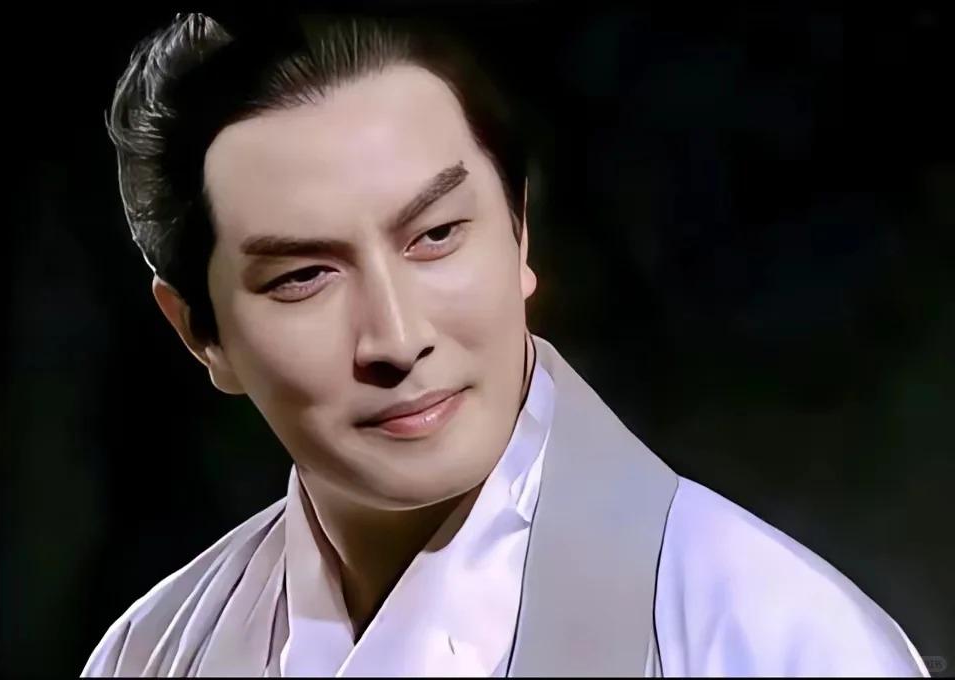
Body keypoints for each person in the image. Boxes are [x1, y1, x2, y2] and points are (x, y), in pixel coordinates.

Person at [82, 11, 930, 677]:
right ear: (201, 333)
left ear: (519, 232)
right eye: (304, 276)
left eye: (437, 235)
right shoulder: (151, 652)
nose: (397, 338)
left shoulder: (776, 642)